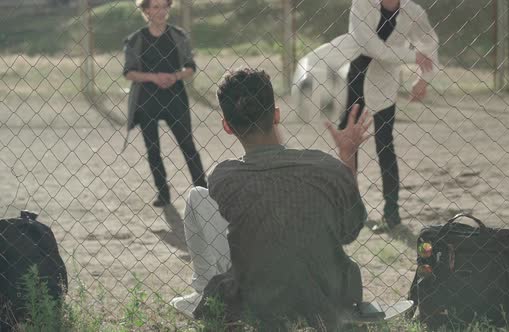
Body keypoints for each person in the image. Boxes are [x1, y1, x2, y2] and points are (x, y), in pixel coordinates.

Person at [171, 68, 371, 330]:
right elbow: (349, 231)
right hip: (329, 294)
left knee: (198, 197)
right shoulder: (326, 166)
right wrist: (347, 158)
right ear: (277, 114)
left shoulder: (224, 177)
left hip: (259, 298)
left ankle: (206, 294)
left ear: (227, 127)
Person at [292, 0, 439, 232]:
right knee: (348, 146)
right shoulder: (361, 4)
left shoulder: (413, 12)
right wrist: (413, 57)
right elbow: (372, 47)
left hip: (383, 85)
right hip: (350, 79)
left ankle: (392, 214)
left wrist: (423, 79)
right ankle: (351, 208)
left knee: (385, 144)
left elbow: (429, 45)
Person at [122, 0, 207, 207]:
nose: (161, 11)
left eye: (165, 6)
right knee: (152, 148)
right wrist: (153, 77)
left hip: (175, 98)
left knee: (188, 145)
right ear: (145, 10)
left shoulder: (178, 36)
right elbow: (128, 72)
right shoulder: (135, 39)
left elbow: (190, 67)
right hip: (146, 101)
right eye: (156, 7)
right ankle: (163, 194)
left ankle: (203, 190)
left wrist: (175, 76)